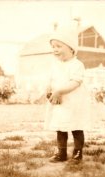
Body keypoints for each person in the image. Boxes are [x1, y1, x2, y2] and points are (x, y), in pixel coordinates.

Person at [44, 28, 91, 164]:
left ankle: (77, 153)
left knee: (76, 126)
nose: (55, 49)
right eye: (53, 47)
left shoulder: (77, 64)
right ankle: (61, 152)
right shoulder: (55, 65)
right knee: (60, 127)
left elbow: (75, 82)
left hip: (74, 101)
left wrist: (59, 91)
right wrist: (49, 88)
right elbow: (51, 79)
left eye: (59, 46)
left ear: (71, 49)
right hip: (60, 102)